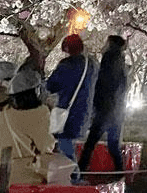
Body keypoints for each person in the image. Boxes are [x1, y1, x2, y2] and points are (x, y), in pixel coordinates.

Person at [0, 66, 57, 186]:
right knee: (61, 173)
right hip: (20, 175)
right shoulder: (39, 112)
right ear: (37, 90)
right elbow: (46, 146)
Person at [77, 35, 129, 175]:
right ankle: (120, 173)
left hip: (105, 109)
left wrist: (95, 103)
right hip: (117, 110)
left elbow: (103, 84)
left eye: (107, 42)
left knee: (90, 143)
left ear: (111, 44)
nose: (104, 45)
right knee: (113, 145)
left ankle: (81, 170)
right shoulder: (121, 62)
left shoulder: (109, 58)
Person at [45, 34, 98, 167]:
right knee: (69, 146)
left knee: (65, 147)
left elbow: (51, 86)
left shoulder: (66, 65)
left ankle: (74, 178)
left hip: (68, 114)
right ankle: (71, 176)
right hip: (85, 112)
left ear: (67, 49)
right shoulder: (92, 64)